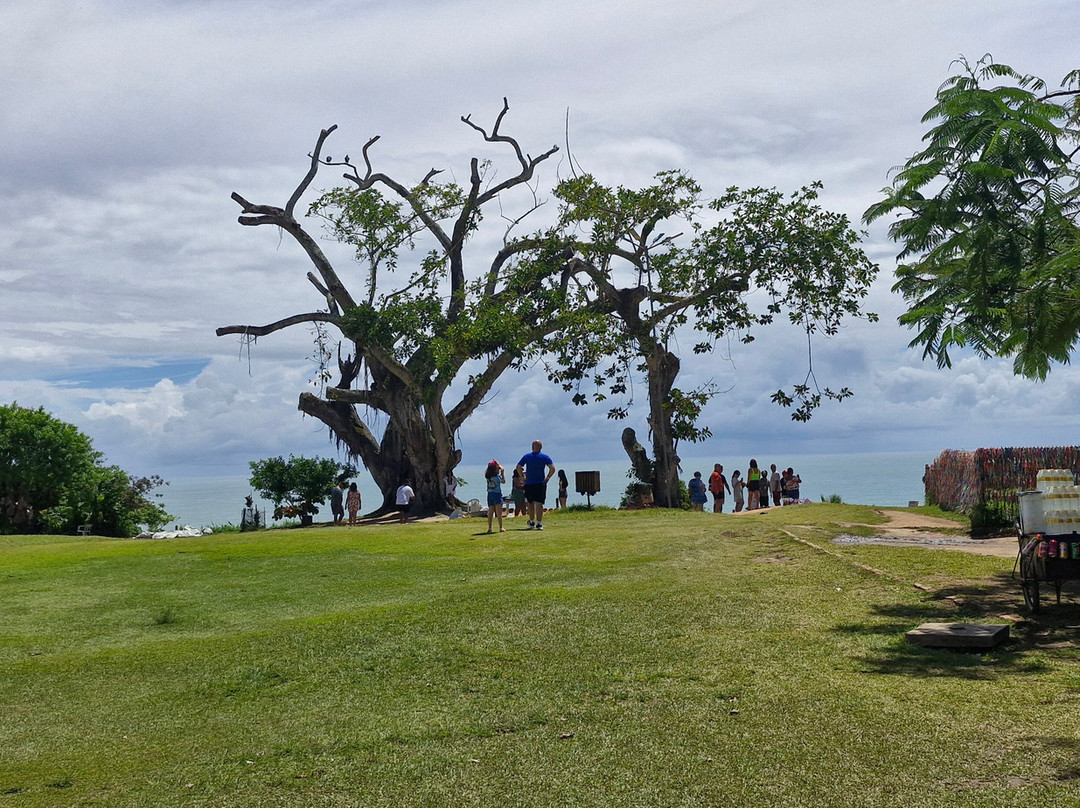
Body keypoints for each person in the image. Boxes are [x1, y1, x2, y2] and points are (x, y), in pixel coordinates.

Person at [516, 439, 555, 530]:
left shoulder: (527, 456)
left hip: (529, 483)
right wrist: (548, 477)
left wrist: (522, 477)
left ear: (532, 447)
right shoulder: (545, 457)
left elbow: (518, 467)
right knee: (539, 503)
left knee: (530, 503)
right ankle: (539, 523)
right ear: (541, 447)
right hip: (540, 483)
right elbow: (552, 468)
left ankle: (531, 521)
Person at [484, 460, 506, 533]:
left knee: (490, 512)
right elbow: (503, 481)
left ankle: (490, 528)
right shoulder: (497, 477)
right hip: (497, 494)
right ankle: (501, 527)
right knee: (499, 512)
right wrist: (502, 473)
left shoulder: (488, 477)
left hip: (490, 494)